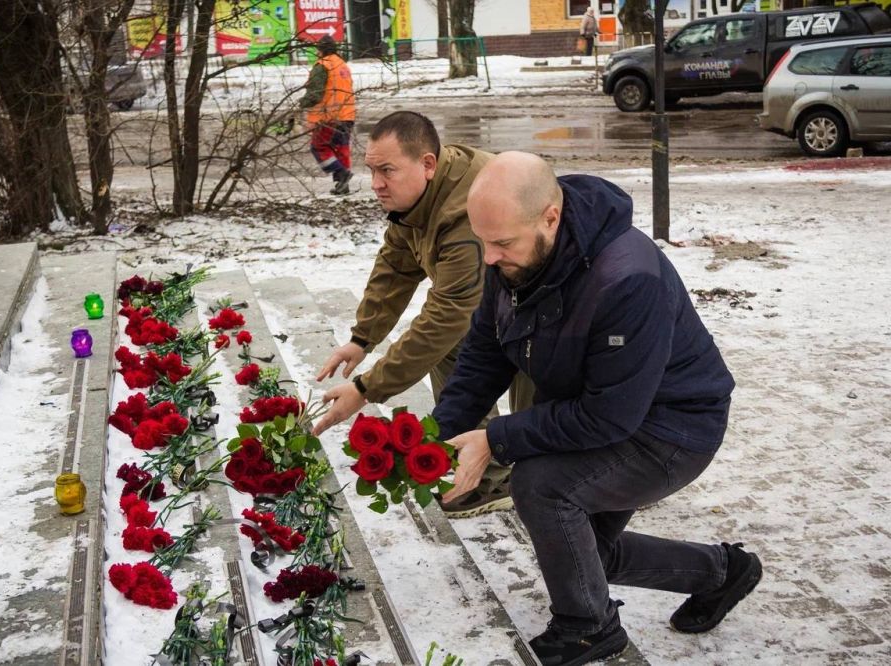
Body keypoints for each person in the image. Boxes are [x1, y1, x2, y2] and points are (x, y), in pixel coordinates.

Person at [432, 152, 762, 666]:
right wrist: (437, 436)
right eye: (483, 242)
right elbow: (486, 349)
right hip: (606, 411)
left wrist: (495, 440)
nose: (489, 258)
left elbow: (609, 417)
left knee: (542, 486)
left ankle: (587, 627)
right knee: (588, 558)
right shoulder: (517, 253)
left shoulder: (627, 278)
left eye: (500, 244)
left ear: (550, 217)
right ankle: (722, 572)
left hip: (672, 428)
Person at [312, 111, 532, 517]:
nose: (376, 184)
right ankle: (490, 471)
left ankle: (567, 478)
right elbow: (396, 264)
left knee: (537, 402)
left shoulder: (464, 212)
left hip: (554, 311)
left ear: (427, 164)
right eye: (371, 170)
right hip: (507, 304)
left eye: (387, 171)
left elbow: (449, 313)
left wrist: (365, 388)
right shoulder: (417, 198)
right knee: (453, 350)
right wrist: (362, 338)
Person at [299, 35, 355, 195]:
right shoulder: (342, 65)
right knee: (341, 150)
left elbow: (315, 94)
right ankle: (343, 185)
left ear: (320, 50)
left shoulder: (322, 66)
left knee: (319, 147)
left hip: (329, 117)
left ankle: (341, 173)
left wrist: (301, 103)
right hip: (347, 115)